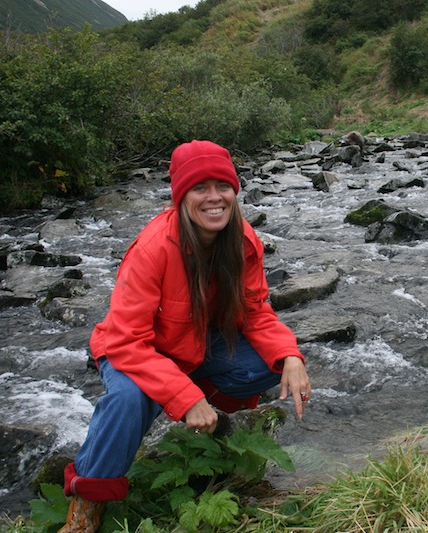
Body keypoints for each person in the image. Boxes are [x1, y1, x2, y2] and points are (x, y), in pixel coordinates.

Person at [58, 140, 311, 533]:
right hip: (134, 349)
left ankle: (214, 420)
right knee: (127, 400)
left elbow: (257, 312)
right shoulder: (153, 248)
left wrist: (290, 356)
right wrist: (184, 396)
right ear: (181, 197)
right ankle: (85, 509)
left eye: (222, 186)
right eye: (200, 188)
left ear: (235, 190)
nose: (215, 198)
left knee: (270, 366)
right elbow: (126, 341)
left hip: (195, 346)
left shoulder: (243, 240)